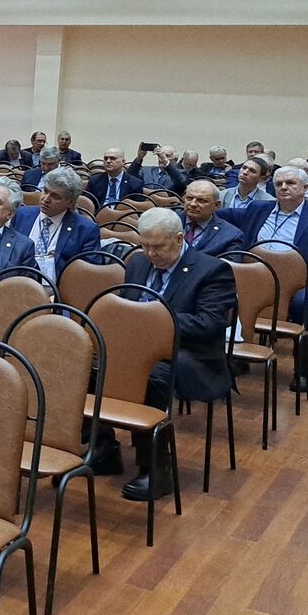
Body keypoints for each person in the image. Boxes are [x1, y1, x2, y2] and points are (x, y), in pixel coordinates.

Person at [96, 208, 235, 501]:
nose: (151, 253)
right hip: (136, 349)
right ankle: (103, 447)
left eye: (158, 246)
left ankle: (157, 467)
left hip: (190, 356)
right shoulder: (138, 262)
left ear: (179, 239)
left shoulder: (212, 270)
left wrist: (153, 322)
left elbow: (209, 324)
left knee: (150, 374)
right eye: (145, 245)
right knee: (89, 364)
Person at [215, 166, 308, 393]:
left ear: (305, 188)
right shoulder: (258, 208)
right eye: (279, 183)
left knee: (304, 303)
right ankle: (237, 357)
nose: (283, 187)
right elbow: (221, 214)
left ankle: (303, 371)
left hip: (303, 282)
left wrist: (305, 276)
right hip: (256, 277)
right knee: (225, 294)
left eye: (290, 183)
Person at [12, 167, 101, 284]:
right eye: (45, 191)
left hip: (57, 288)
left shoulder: (86, 229)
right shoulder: (21, 215)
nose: (46, 199)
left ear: (71, 202)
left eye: (55, 196)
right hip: (17, 284)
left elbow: (88, 272)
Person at [175, 179, 245, 255]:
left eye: (201, 200)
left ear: (216, 205)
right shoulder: (168, 221)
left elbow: (228, 262)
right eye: (189, 198)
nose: (193, 204)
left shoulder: (231, 235)